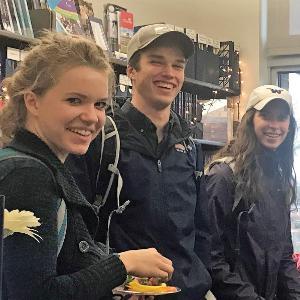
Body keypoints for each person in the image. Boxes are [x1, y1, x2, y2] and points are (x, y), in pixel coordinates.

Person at [0, 31, 174, 300]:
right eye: (74, 100)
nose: (92, 117)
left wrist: (116, 280)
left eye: (100, 104)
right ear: (32, 101)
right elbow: (36, 294)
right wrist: (123, 264)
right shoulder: (27, 176)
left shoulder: (38, 167)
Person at [67, 24, 212, 300]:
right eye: (156, 62)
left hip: (188, 291)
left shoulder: (190, 145)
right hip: (127, 292)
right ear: (131, 71)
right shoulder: (102, 138)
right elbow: (79, 232)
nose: (169, 73)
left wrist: (201, 279)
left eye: (177, 65)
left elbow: (200, 227)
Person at [206, 85, 300, 299]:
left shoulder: (279, 180)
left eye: (281, 118)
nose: (274, 125)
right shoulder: (224, 176)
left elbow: (283, 256)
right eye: (266, 116)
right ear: (250, 120)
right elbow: (211, 259)